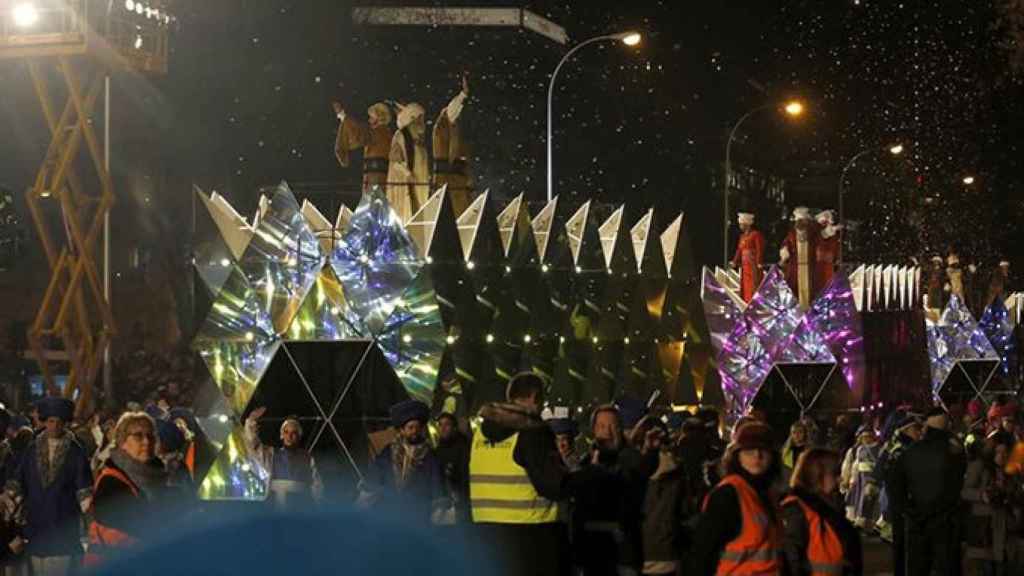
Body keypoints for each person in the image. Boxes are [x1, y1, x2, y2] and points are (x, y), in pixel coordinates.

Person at [470, 372, 568, 576]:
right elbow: (552, 485)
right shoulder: (532, 430)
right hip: (532, 538)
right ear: (534, 397)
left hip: (486, 537)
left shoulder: (479, 433)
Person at [9, 397, 92, 576]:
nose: (54, 426)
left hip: (63, 525)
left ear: (66, 423)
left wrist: (93, 525)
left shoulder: (76, 452)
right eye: (51, 421)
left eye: (59, 422)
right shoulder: (31, 450)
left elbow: (84, 492)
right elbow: (17, 483)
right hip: (36, 526)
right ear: (44, 421)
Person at [690, 421, 784, 576]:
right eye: (749, 450)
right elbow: (702, 554)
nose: (757, 456)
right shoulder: (728, 494)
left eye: (763, 450)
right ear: (737, 456)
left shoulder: (768, 495)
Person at [85, 412, 174, 567]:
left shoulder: (160, 476)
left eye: (151, 436)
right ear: (122, 442)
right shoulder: (111, 482)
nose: (147, 441)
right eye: (138, 436)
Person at [889, 407, 967, 576]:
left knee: (918, 568)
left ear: (926, 426)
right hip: (946, 524)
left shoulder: (908, 453)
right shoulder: (954, 453)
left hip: (918, 524)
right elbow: (959, 483)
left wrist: (909, 511)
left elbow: (896, 491)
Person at [782, 448, 863, 576]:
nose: (840, 479)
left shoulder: (829, 507)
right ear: (816, 475)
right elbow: (792, 562)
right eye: (834, 473)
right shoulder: (797, 510)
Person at [363, 400, 443, 524]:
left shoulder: (429, 455)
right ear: (401, 430)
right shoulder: (389, 452)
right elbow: (375, 474)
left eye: (417, 427)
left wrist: (438, 506)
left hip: (418, 513)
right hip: (390, 511)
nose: (414, 431)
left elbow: (436, 481)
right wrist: (366, 496)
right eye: (410, 428)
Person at [244, 407, 323, 508]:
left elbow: (317, 487)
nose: (289, 436)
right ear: (281, 435)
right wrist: (251, 421)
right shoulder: (272, 454)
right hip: (275, 506)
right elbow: (253, 446)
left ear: (299, 436)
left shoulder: (307, 458)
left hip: (300, 507)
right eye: (286, 432)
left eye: (293, 433)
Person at [962, 440, 1012, 576]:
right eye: (998, 452)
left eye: (1004, 452)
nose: (1001, 456)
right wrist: (981, 494)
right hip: (983, 526)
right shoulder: (979, 466)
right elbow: (964, 491)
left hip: (1002, 527)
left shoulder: (1009, 471)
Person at [432, 74, 472, 216]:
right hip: (448, 181)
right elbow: (451, 110)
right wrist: (463, 94)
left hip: (457, 182)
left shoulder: (456, 131)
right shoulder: (443, 125)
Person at [332, 99, 393, 190]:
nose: (369, 120)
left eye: (372, 118)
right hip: (375, 178)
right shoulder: (383, 132)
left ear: (379, 118)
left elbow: (359, 133)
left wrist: (343, 116)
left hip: (377, 180)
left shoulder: (380, 132)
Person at [388, 102, 430, 222]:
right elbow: (395, 160)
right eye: (420, 118)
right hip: (407, 185)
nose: (422, 122)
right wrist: (408, 174)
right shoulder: (400, 135)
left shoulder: (419, 139)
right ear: (412, 118)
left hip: (421, 185)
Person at [780, 206, 821, 309]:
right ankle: (796, 310)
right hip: (795, 267)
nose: (801, 223)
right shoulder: (791, 235)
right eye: (799, 221)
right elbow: (785, 245)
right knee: (794, 288)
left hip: (809, 267)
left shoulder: (812, 235)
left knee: (811, 289)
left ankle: (809, 310)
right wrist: (784, 253)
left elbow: (821, 239)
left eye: (803, 221)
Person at [434, 412, 470, 525]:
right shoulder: (438, 449)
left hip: (460, 500)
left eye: (447, 425)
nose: (443, 428)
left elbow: (465, 474)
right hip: (444, 500)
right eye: (440, 425)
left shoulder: (464, 447)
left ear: (454, 428)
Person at [844, 426, 882, 529]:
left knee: (871, 501)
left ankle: (872, 522)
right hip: (861, 478)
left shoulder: (878, 448)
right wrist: (852, 479)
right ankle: (861, 520)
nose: (866, 439)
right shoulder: (860, 449)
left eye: (868, 437)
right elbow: (855, 465)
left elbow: (879, 464)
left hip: (872, 478)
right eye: (864, 437)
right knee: (860, 499)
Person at [731, 211, 765, 303]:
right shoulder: (742, 236)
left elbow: (759, 249)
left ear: (746, 224)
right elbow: (739, 250)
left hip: (753, 266)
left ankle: (754, 304)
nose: (740, 226)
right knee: (745, 286)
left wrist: (759, 262)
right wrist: (734, 261)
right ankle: (746, 303)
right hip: (745, 266)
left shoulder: (755, 234)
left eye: (741, 224)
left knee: (753, 285)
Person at [815, 210, 841, 290]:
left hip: (828, 267)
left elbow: (836, 247)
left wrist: (837, 258)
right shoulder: (817, 231)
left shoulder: (834, 237)